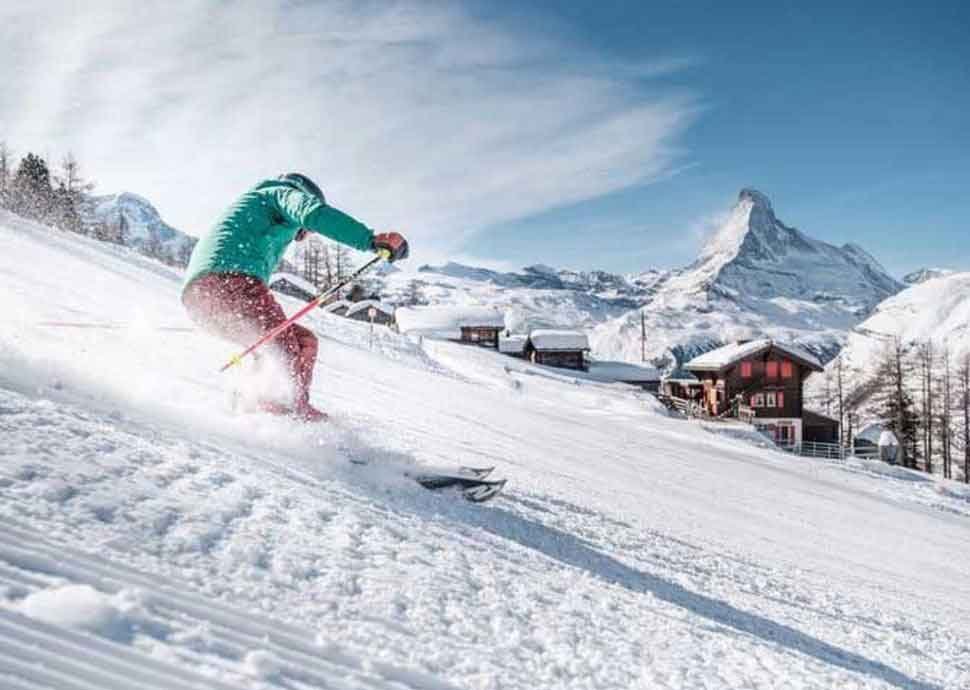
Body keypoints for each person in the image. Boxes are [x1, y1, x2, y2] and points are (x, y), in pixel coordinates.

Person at [182, 173, 408, 422]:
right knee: (288, 347)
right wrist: (372, 241)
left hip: (198, 298)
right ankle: (289, 415)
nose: (304, 235)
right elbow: (314, 214)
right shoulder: (281, 194)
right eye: (305, 232)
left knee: (292, 342)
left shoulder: (256, 209)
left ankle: (252, 401)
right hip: (229, 281)